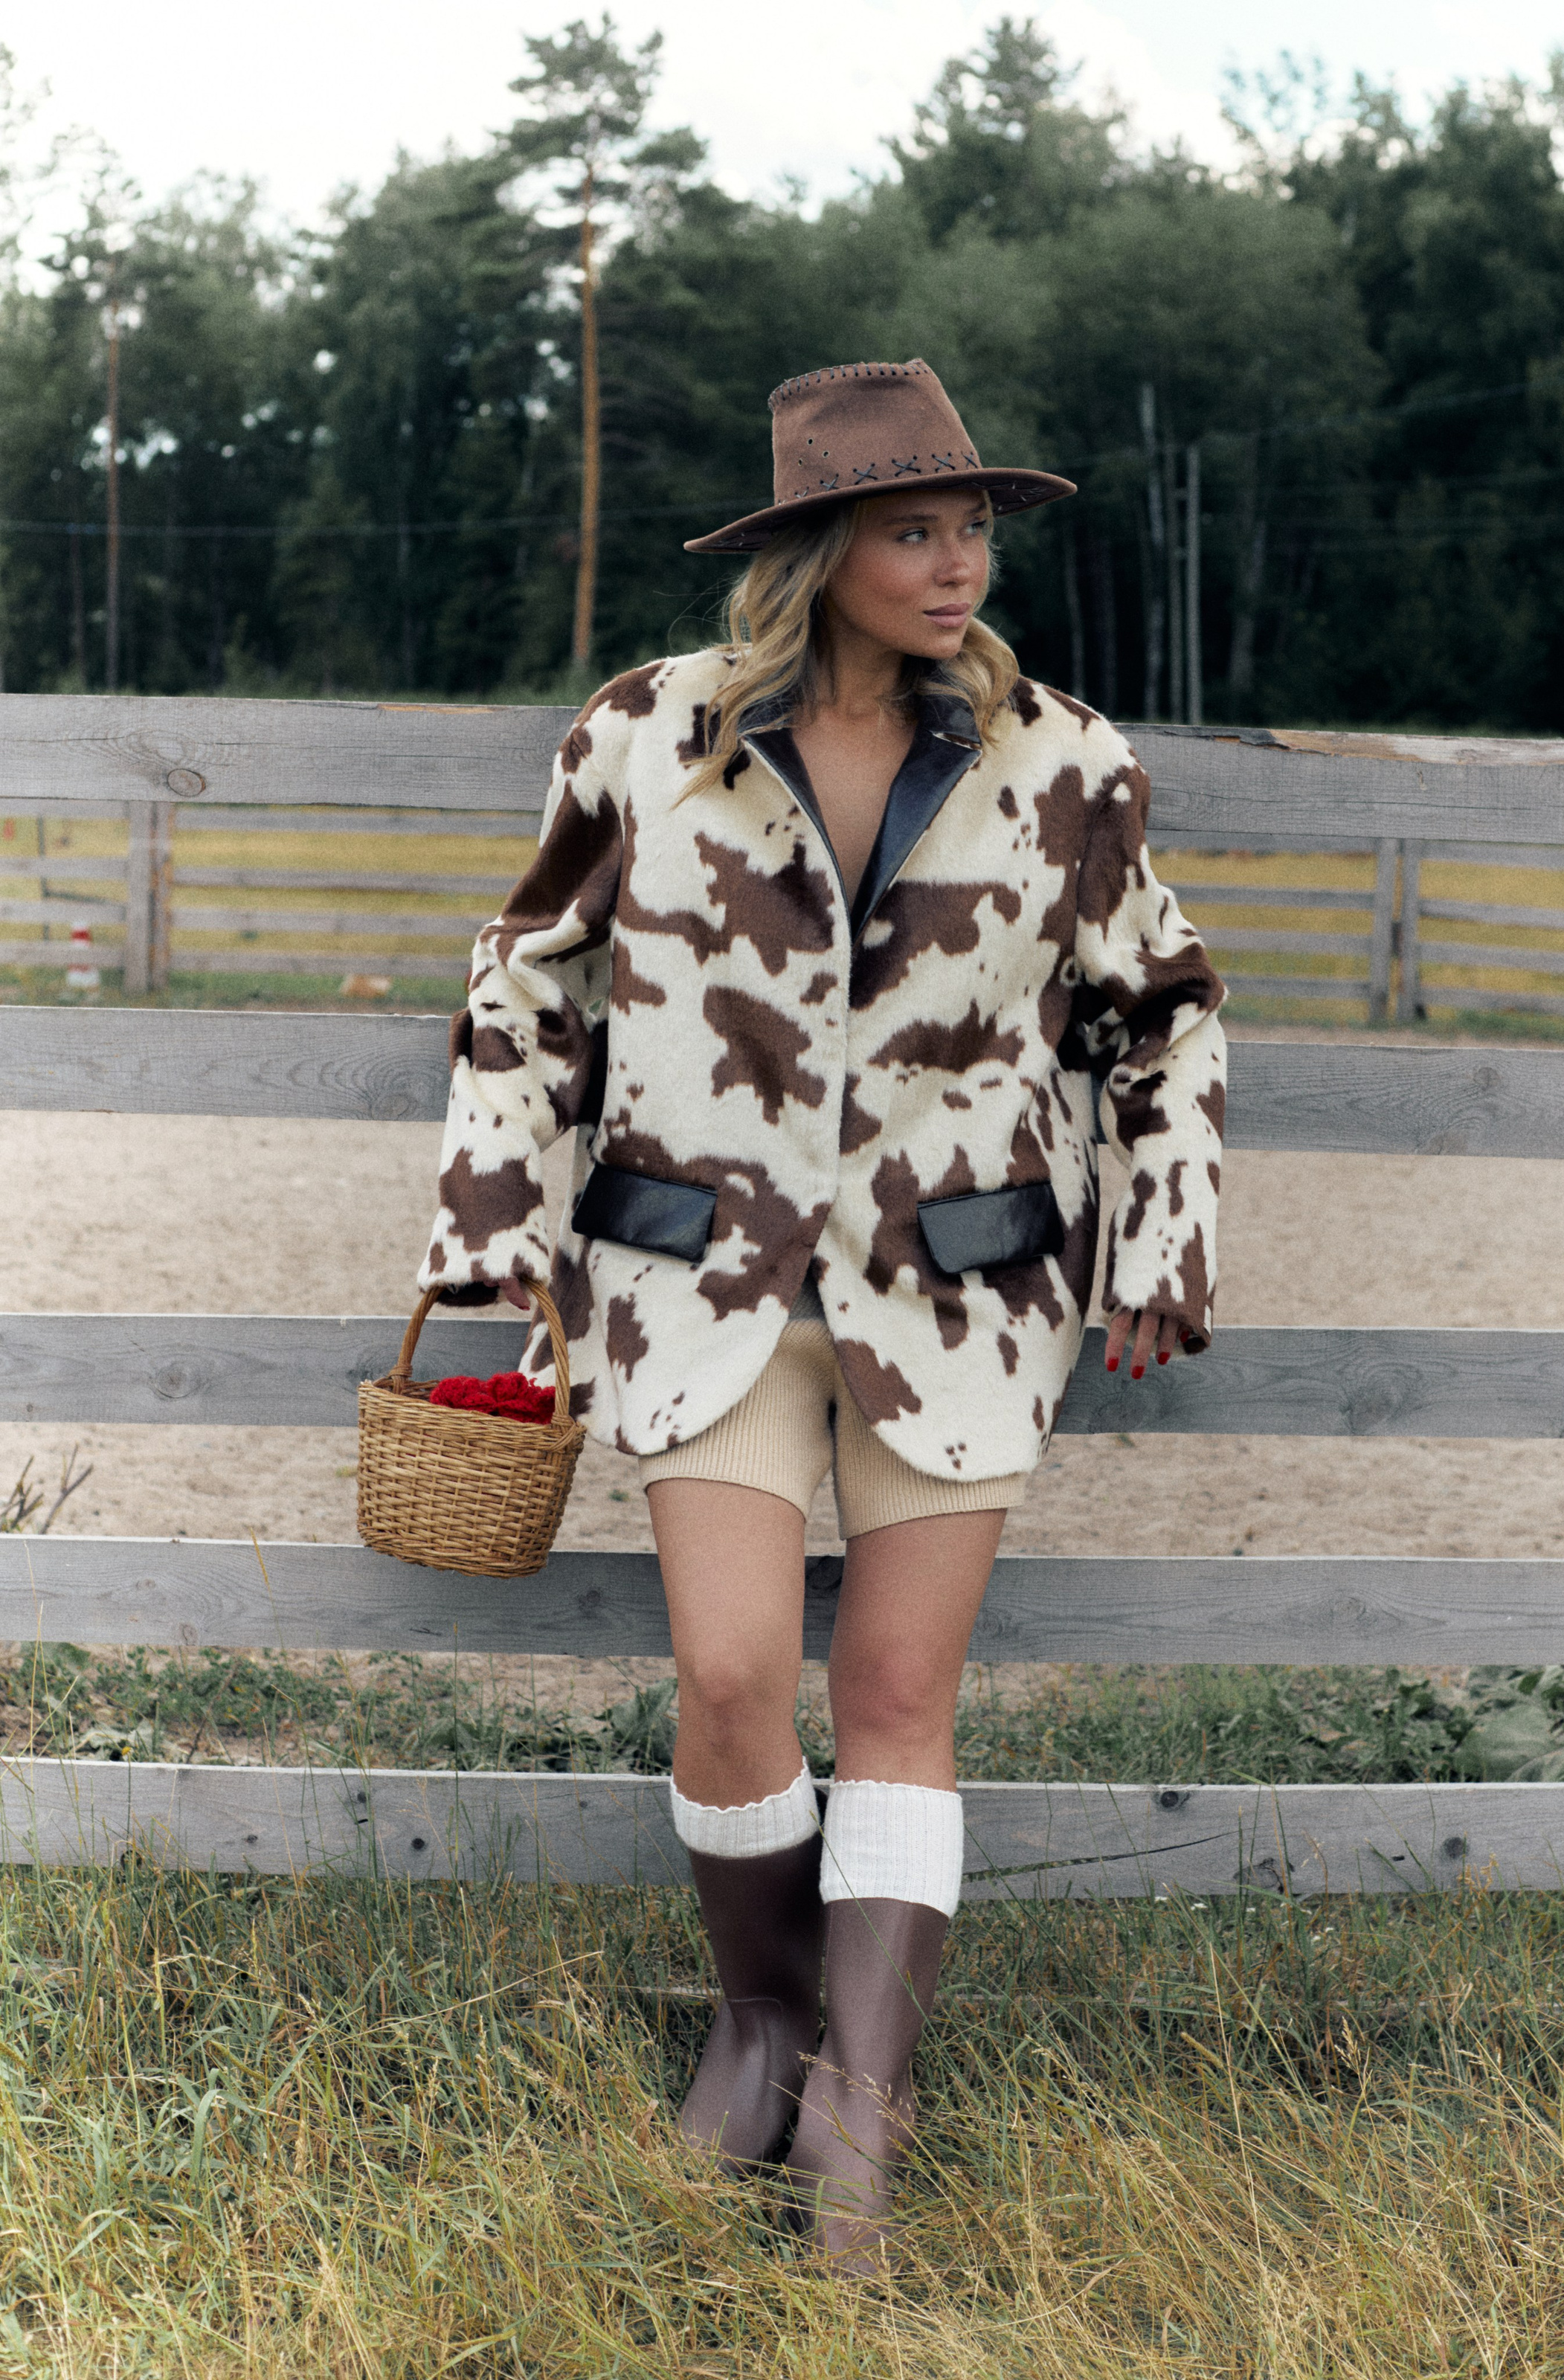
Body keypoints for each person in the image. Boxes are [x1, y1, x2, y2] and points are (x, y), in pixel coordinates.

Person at [418, 358, 1226, 2267]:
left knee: (893, 1698)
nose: (959, 566)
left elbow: (1158, 1012)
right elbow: (527, 995)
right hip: (692, 1278)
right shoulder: (643, 736)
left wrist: (1165, 1237)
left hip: (962, 1288)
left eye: (972, 531)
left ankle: (859, 2110)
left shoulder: (1066, 762)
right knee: (724, 1681)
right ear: (815, 550)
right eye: (914, 530)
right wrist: (484, 1261)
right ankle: (761, 2016)